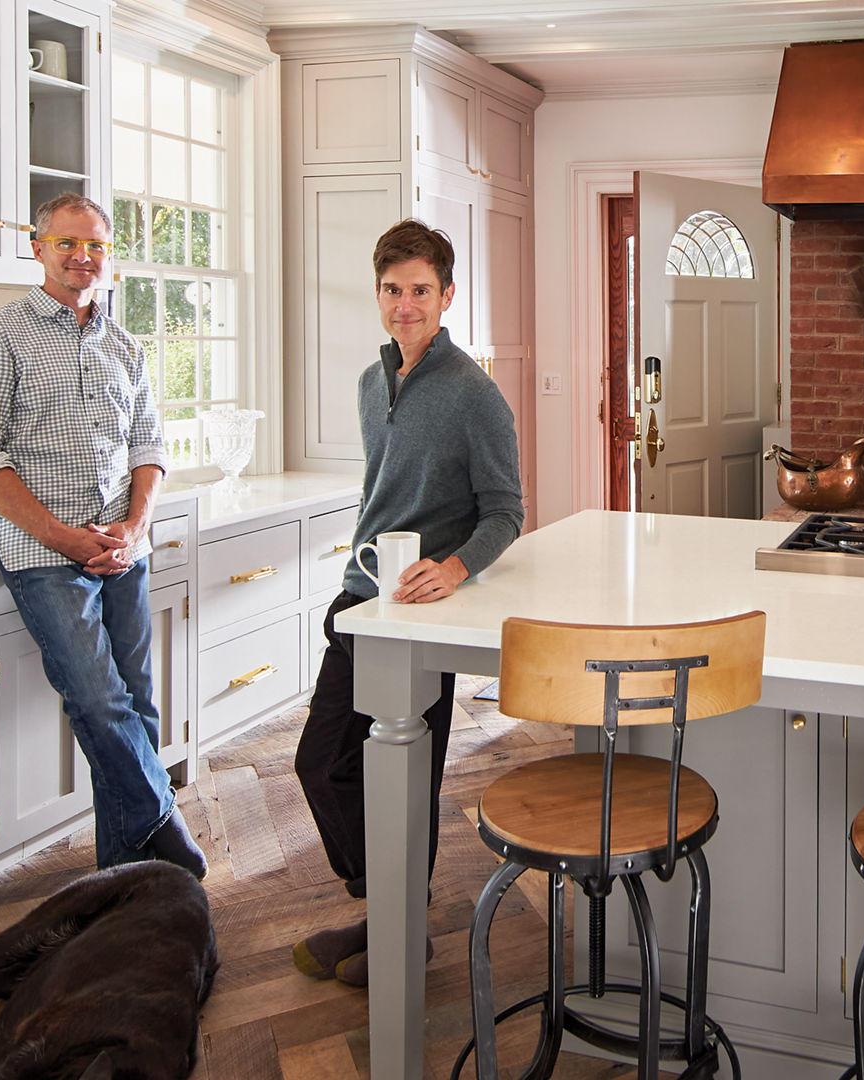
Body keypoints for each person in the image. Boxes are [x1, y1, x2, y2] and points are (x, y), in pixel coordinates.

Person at [291, 220, 524, 985]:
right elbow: (381, 493)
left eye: (421, 290)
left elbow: (505, 511)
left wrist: (455, 569)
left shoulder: (474, 394)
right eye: (393, 290)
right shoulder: (370, 381)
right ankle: (388, 912)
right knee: (324, 764)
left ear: (446, 295)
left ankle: (398, 927)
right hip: (362, 601)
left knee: (405, 773)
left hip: (424, 614)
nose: (405, 304)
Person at [0, 192, 205, 878]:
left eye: (95, 245)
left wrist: (133, 525)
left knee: (138, 702)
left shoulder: (125, 344)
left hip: (123, 549)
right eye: (67, 243)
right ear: (37, 247)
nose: (82, 257)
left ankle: (129, 881)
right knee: (99, 698)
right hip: (42, 553)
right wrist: (65, 538)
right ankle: (161, 821)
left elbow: (149, 445)